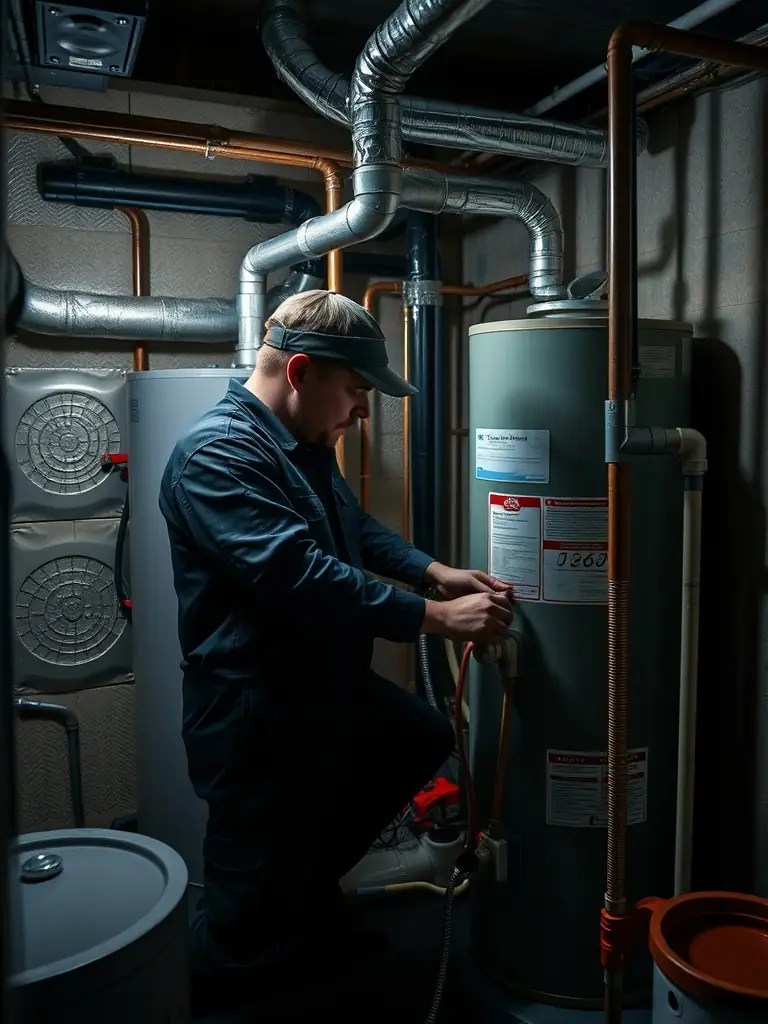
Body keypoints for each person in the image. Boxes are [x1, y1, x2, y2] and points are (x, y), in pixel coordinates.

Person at [159, 290, 513, 1010]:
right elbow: (300, 574)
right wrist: (437, 617)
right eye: (356, 389)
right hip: (254, 706)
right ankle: (230, 980)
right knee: (241, 905)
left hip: (322, 688)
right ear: (300, 372)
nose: (363, 409)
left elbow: (353, 531)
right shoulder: (218, 455)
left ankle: (304, 905)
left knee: (419, 735)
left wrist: (431, 570)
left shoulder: (305, 446)